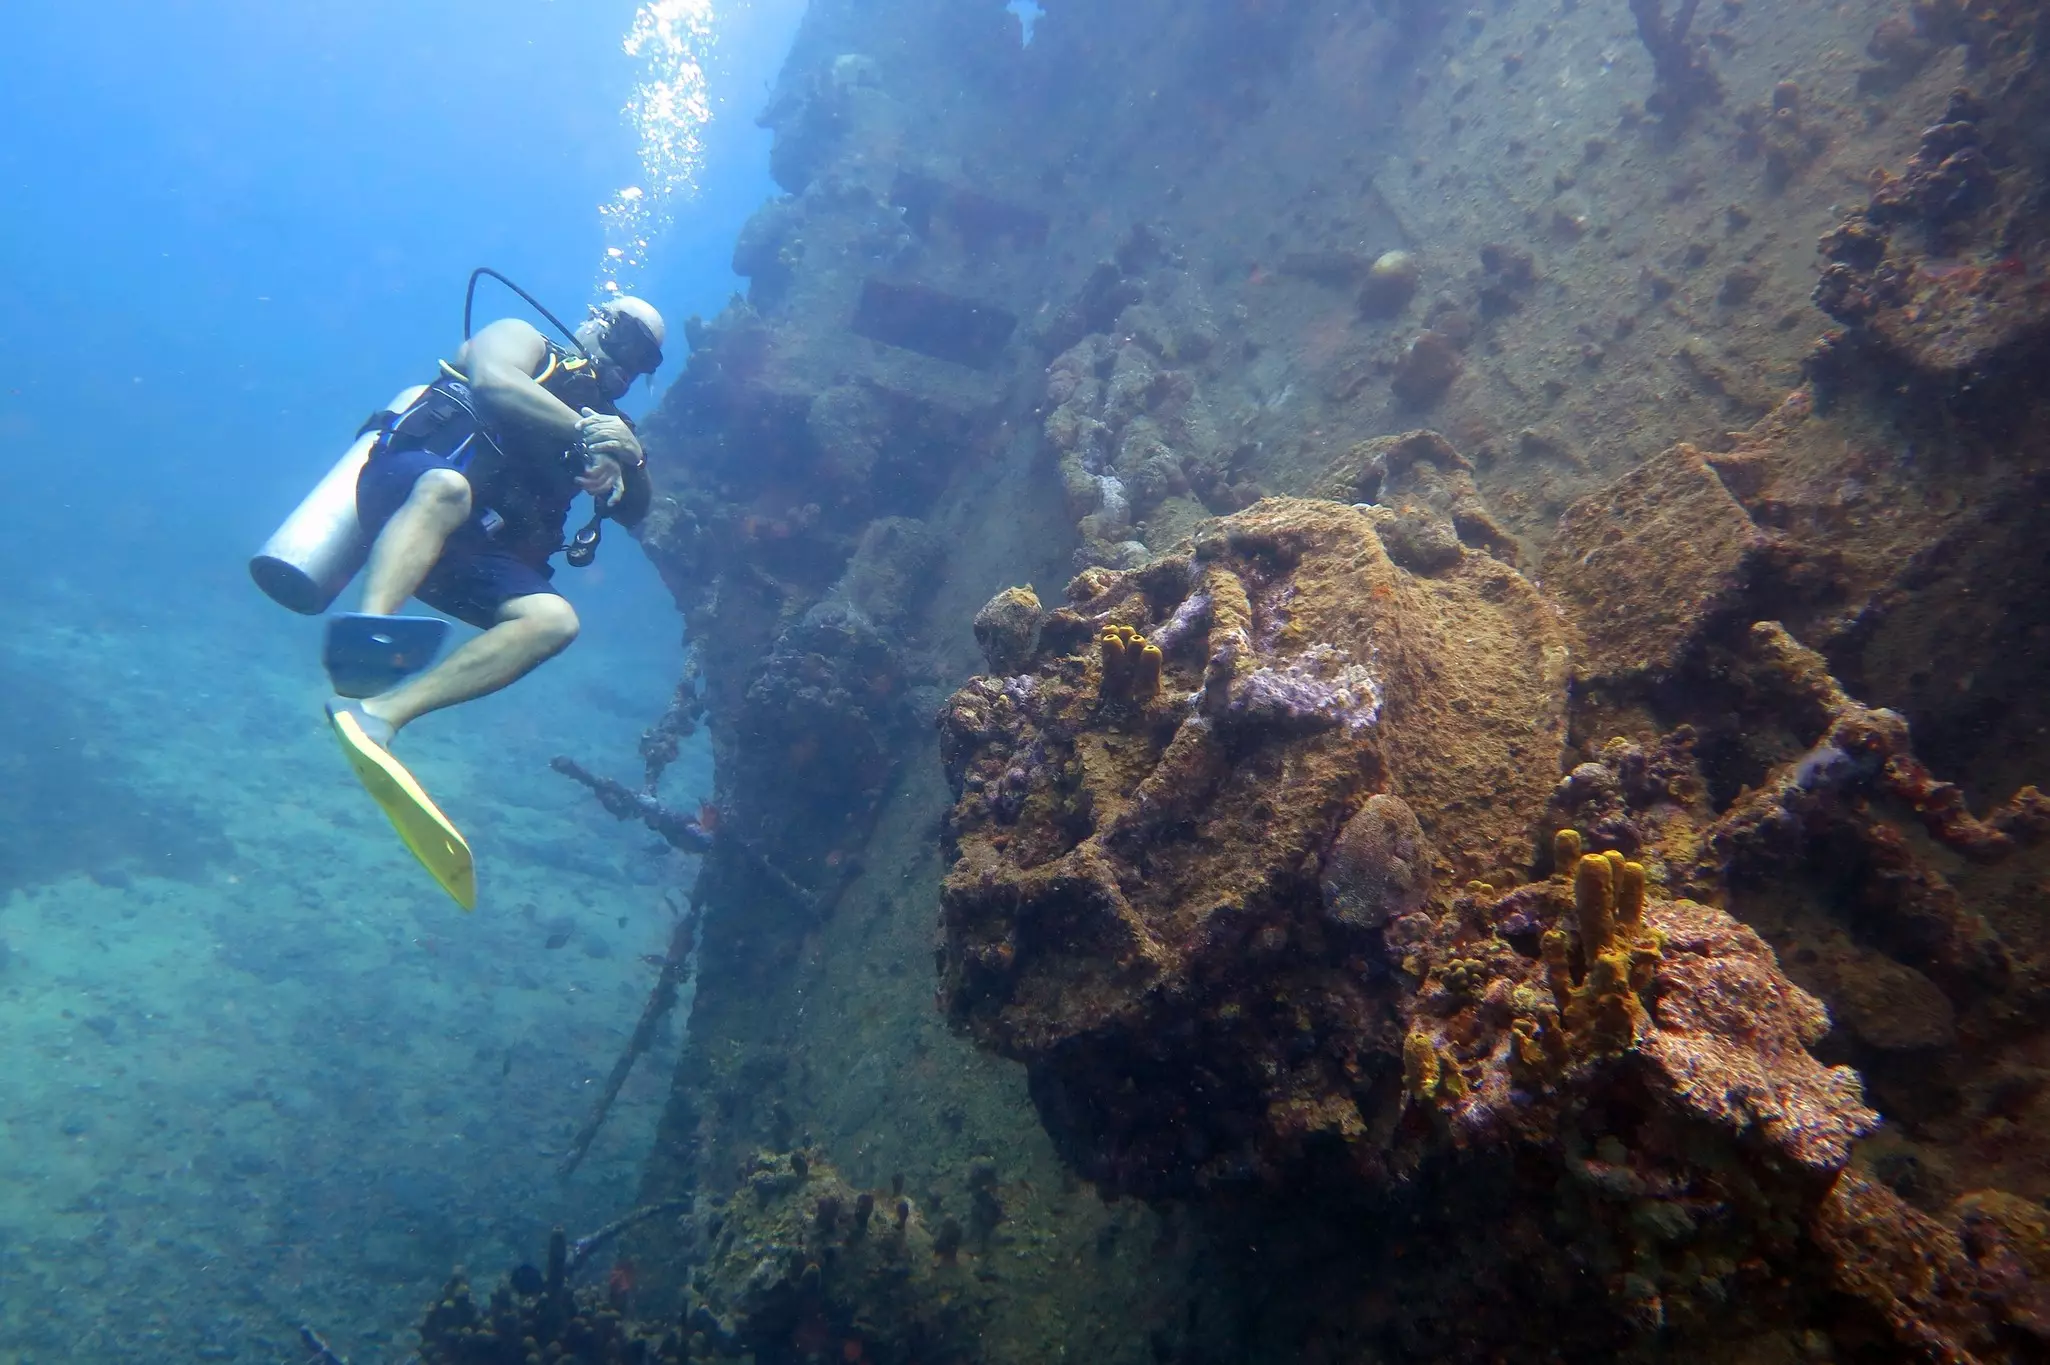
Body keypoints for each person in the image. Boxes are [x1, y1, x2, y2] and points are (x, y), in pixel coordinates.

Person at [326, 295, 666, 749]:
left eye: (647, 359)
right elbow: (493, 380)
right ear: (595, 320)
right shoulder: (526, 340)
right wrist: (587, 431)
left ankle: (380, 718)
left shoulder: (614, 428)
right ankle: (367, 642)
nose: (631, 364)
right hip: (404, 495)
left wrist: (633, 457)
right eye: (626, 340)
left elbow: (633, 512)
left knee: (554, 621)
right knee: (449, 488)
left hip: (469, 554)